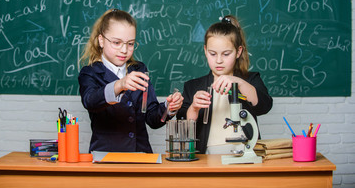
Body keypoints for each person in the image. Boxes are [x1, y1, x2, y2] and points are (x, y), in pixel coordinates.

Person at [78, 8, 183, 153]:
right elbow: (90, 101)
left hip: (140, 156)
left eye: (130, 44)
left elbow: (152, 118)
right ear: (101, 40)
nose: (124, 50)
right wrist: (120, 84)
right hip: (106, 157)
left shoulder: (139, 69)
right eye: (116, 42)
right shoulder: (90, 73)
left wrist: (168, 109)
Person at [177, 15, 272, 154]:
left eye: (226, 54)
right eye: (213, 54)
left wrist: (238, 82)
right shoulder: (192, 87)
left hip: (245, 153)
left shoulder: (250, 80)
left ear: (238, 51)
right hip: (206, 157)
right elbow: (182, 127)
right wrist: (194, 108)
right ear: (205, 51)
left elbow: (265, 106)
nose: (219, 60)